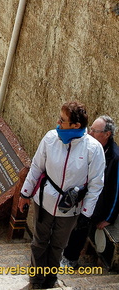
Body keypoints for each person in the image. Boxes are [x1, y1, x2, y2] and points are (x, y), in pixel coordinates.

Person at [18, 102, 105, 290]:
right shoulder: (50, 138)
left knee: (58, 245)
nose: (58, 122)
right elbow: (36, 167)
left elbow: (96, 184)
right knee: (39, 243)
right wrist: (25, 193)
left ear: (76, 125)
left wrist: (86, 214)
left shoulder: (93, 149)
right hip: (45, 202)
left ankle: (50, 280)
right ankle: (36, 281)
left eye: (63, 120)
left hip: (70, 208)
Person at [62, 114, 119, 268]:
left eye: (94, 130)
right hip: (82, 194)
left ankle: (70, 259)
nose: (89, 133)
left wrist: (109, 217)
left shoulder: (114, 157)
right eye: (90, 129)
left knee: (81, 225)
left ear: (107, 134)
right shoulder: (90, 145)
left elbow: (117, 190)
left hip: (98, 204)